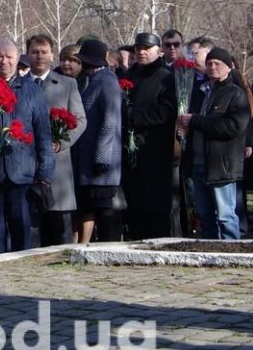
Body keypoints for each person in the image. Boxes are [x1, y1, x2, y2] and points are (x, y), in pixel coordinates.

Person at [0, 38, 55, 255]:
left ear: (17, 59)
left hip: (22, 173)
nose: (4, 61)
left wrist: (45, 175)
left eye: (9, 57)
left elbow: (43, 133)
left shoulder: (32, 90)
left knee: (21, 231)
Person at [177, 48, 247, 240]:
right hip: (200, 162)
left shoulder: (235, 94)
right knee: (205, 215)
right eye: (209, 63)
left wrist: (195, 120)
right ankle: (208, 250)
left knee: (225, 216)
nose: (212, 67)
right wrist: (186, 127)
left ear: (228, 68)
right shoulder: (202, 91)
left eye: (218, 64)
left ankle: (231, 253)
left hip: (221, 165)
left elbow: (232, 127)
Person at [26, 34, 87, 246]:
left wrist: (62, 142)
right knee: (31, 232)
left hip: (58, 168)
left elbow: (80, 120)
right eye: (34, 52)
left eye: (43, 52)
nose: (39, 57)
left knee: (59, 232)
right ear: (27, 54)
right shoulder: (19, 84)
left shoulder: (67, 84)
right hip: (27, 166)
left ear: (52, 55)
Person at [121, 32, 177, 240]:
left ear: (158, 50)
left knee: (156, 206)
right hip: (131, 150)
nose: (141, 52)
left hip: (155, 150)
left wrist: (135, 116)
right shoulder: (130, 75)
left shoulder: (166, 77)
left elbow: (168, 111)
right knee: (134, 205)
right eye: (138, 49)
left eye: (146, 48)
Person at [72, 39, 123, 243]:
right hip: (87, 158)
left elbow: (110, 120)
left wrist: (101, 157)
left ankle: (108, 246)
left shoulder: (107, 81)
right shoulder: (90, 80)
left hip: (101, 162)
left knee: (103, 209)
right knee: (90, 207)